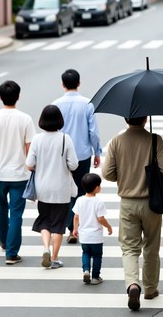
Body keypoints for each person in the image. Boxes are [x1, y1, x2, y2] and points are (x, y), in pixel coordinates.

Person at [102, 116, 163, 311]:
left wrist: (122, 176)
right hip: (152, 203)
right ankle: (150, 289)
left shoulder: (117, 141)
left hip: (128, 203)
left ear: (126, 118)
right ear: (144, 119)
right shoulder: (154, 139)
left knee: (130, 248)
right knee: (151, 245)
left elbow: (107, 173)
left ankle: (133, 284)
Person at [0, 80, 36, 265]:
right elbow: (30, 148)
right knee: (16, 213)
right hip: (19, 174)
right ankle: (11, 252)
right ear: (18, 97)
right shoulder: (25, 118)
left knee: (1, 209)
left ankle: (4, 239)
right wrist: (34, 169)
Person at [26, 105, 78, 269]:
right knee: (58, 225)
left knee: (45, 221)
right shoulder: (65, 138)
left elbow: (29, 164)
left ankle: (45, 248)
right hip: (61, 189)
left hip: (42, 188)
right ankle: (54, 258)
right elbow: (74, 165)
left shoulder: (37, 139)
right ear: (59, 120)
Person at [53, 69, 102, 244]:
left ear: (63, 84)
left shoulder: (56, 105)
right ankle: (76, 227)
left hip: (61, 155)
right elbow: (93, 132)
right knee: (81, 191)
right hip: (82, 154)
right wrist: (97, 152)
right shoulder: (87, 104)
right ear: (79, 83)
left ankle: (68, 226)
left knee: (65, 190)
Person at [72, 173, 112, 285]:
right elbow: (101, 218)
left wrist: (75, 229)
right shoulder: (98, 202)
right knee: (97, 256)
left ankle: (86, 271)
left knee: (85, 253)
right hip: (96, 237)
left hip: (84, 236)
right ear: (96, 188)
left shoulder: (79, 200)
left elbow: (76, 217)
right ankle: (95, 277)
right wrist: (108, 227)